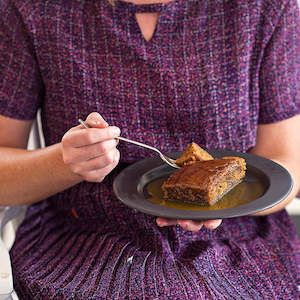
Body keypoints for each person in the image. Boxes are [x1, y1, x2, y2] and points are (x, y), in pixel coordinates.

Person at [1, 0, 300, 298]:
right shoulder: (31, 9)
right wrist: (64, 164)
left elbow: (288, 162)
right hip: (81, 240)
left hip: (240, 240)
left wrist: (228, 200)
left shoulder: (267, 7)